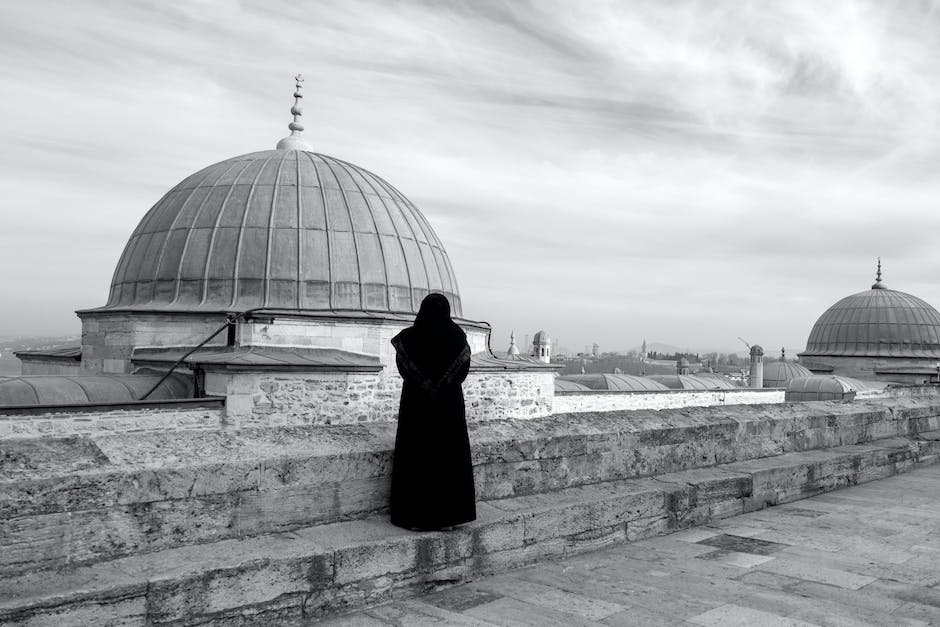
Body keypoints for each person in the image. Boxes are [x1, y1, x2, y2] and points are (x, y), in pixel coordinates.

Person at [389, 293, 476, 531]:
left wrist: (424, 386)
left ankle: (415, 517)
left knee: (417, 457)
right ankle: (448, 517)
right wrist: (442, 387)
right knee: (448, 459)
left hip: (417, 407)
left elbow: (403, 368)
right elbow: (462, 371)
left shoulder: (409, 338)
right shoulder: (457, 337)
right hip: (448, 409)